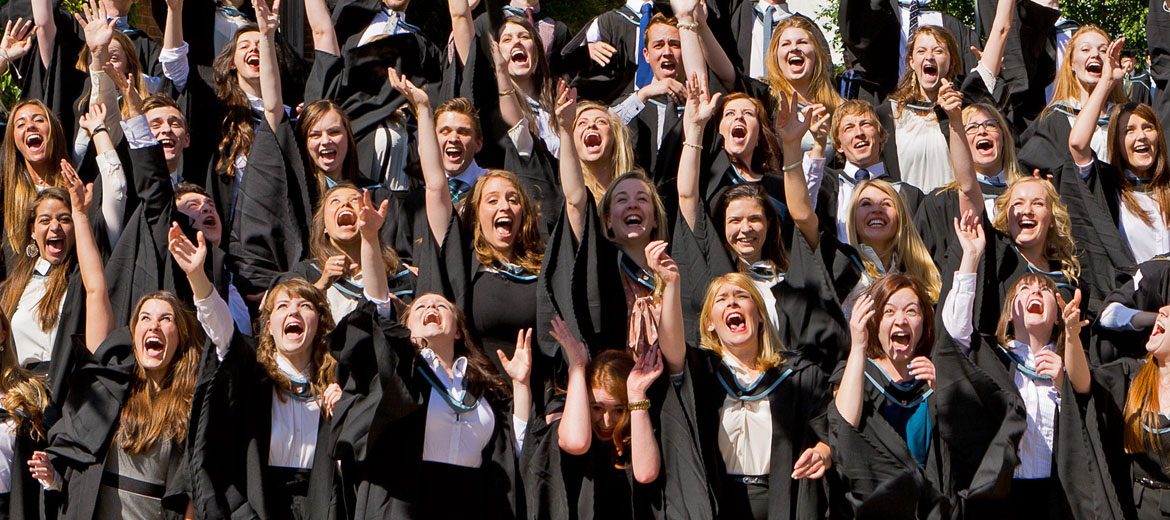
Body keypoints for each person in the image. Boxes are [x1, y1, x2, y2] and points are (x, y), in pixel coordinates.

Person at [28, 164, 197, 519]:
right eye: (145, 318)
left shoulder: (189, 403)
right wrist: (79, 214)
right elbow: (95, 289)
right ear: (132, 334)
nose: (154, 326)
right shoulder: (110, 381)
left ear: (180, 337)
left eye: (166, 319)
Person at [942, 211, 1116, 519]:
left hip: (1055, 495)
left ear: (1057, 315)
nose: (1035, 291)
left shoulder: (1066, 366)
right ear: (1009, 314)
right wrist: (971, 257)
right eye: (1024, 290)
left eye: (1045, 291)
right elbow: (955, 331)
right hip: (1004, 495)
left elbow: (1086, 428)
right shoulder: (993, 357)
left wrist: (1063, 385)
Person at [391, 68, 545, 378]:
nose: (502, 205)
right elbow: (436, 187)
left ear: (478, 142)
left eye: (511, 200)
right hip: (478, 381)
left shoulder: (536, 256)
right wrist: (422, 108)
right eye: (444, 131)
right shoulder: (461, 251)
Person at [656, 254, 832, 519]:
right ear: (710, 324)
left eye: (742, 296)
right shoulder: (704, 372)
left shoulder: (796, 376)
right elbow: (671, 349)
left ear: (760, 316)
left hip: (781, 501)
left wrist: (823, 452)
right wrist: (671, 284)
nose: (732, 302)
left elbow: (834, 432)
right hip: (720, 502)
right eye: (721, 299)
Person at [327, 288, 530, 518]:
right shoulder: (400, 380)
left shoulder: (481, 387)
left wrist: (521, 383)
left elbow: (514, 447)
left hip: (471, 504)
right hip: (408, 503)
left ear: (458, 332)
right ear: (407, 330)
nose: (431, 308)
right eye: (421, 307)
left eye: (441, 306)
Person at [521, 316, 663, 519]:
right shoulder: (563, 417)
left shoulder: (640, 431)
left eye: (619, 410)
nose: (606, 421)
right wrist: (577, 368)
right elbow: (577, 442)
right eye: (597, 407)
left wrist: (636, 394)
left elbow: (646, 473)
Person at [830, 274, 948, 517]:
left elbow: (956, 450)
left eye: (912, 311)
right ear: (874, 322)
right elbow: (844, 426)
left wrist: (942, 390)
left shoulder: (935, 377)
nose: (901, 320)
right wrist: (859, 347)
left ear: (925, 322)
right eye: (889, 312)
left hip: (924, 505)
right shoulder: (856, 371)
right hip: (872, 504)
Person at [1092, 307, 1170, 519]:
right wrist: (1070, 335)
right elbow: (1085, 385)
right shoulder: (1132, 375)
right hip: (1136, 507)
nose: (1162, 311)